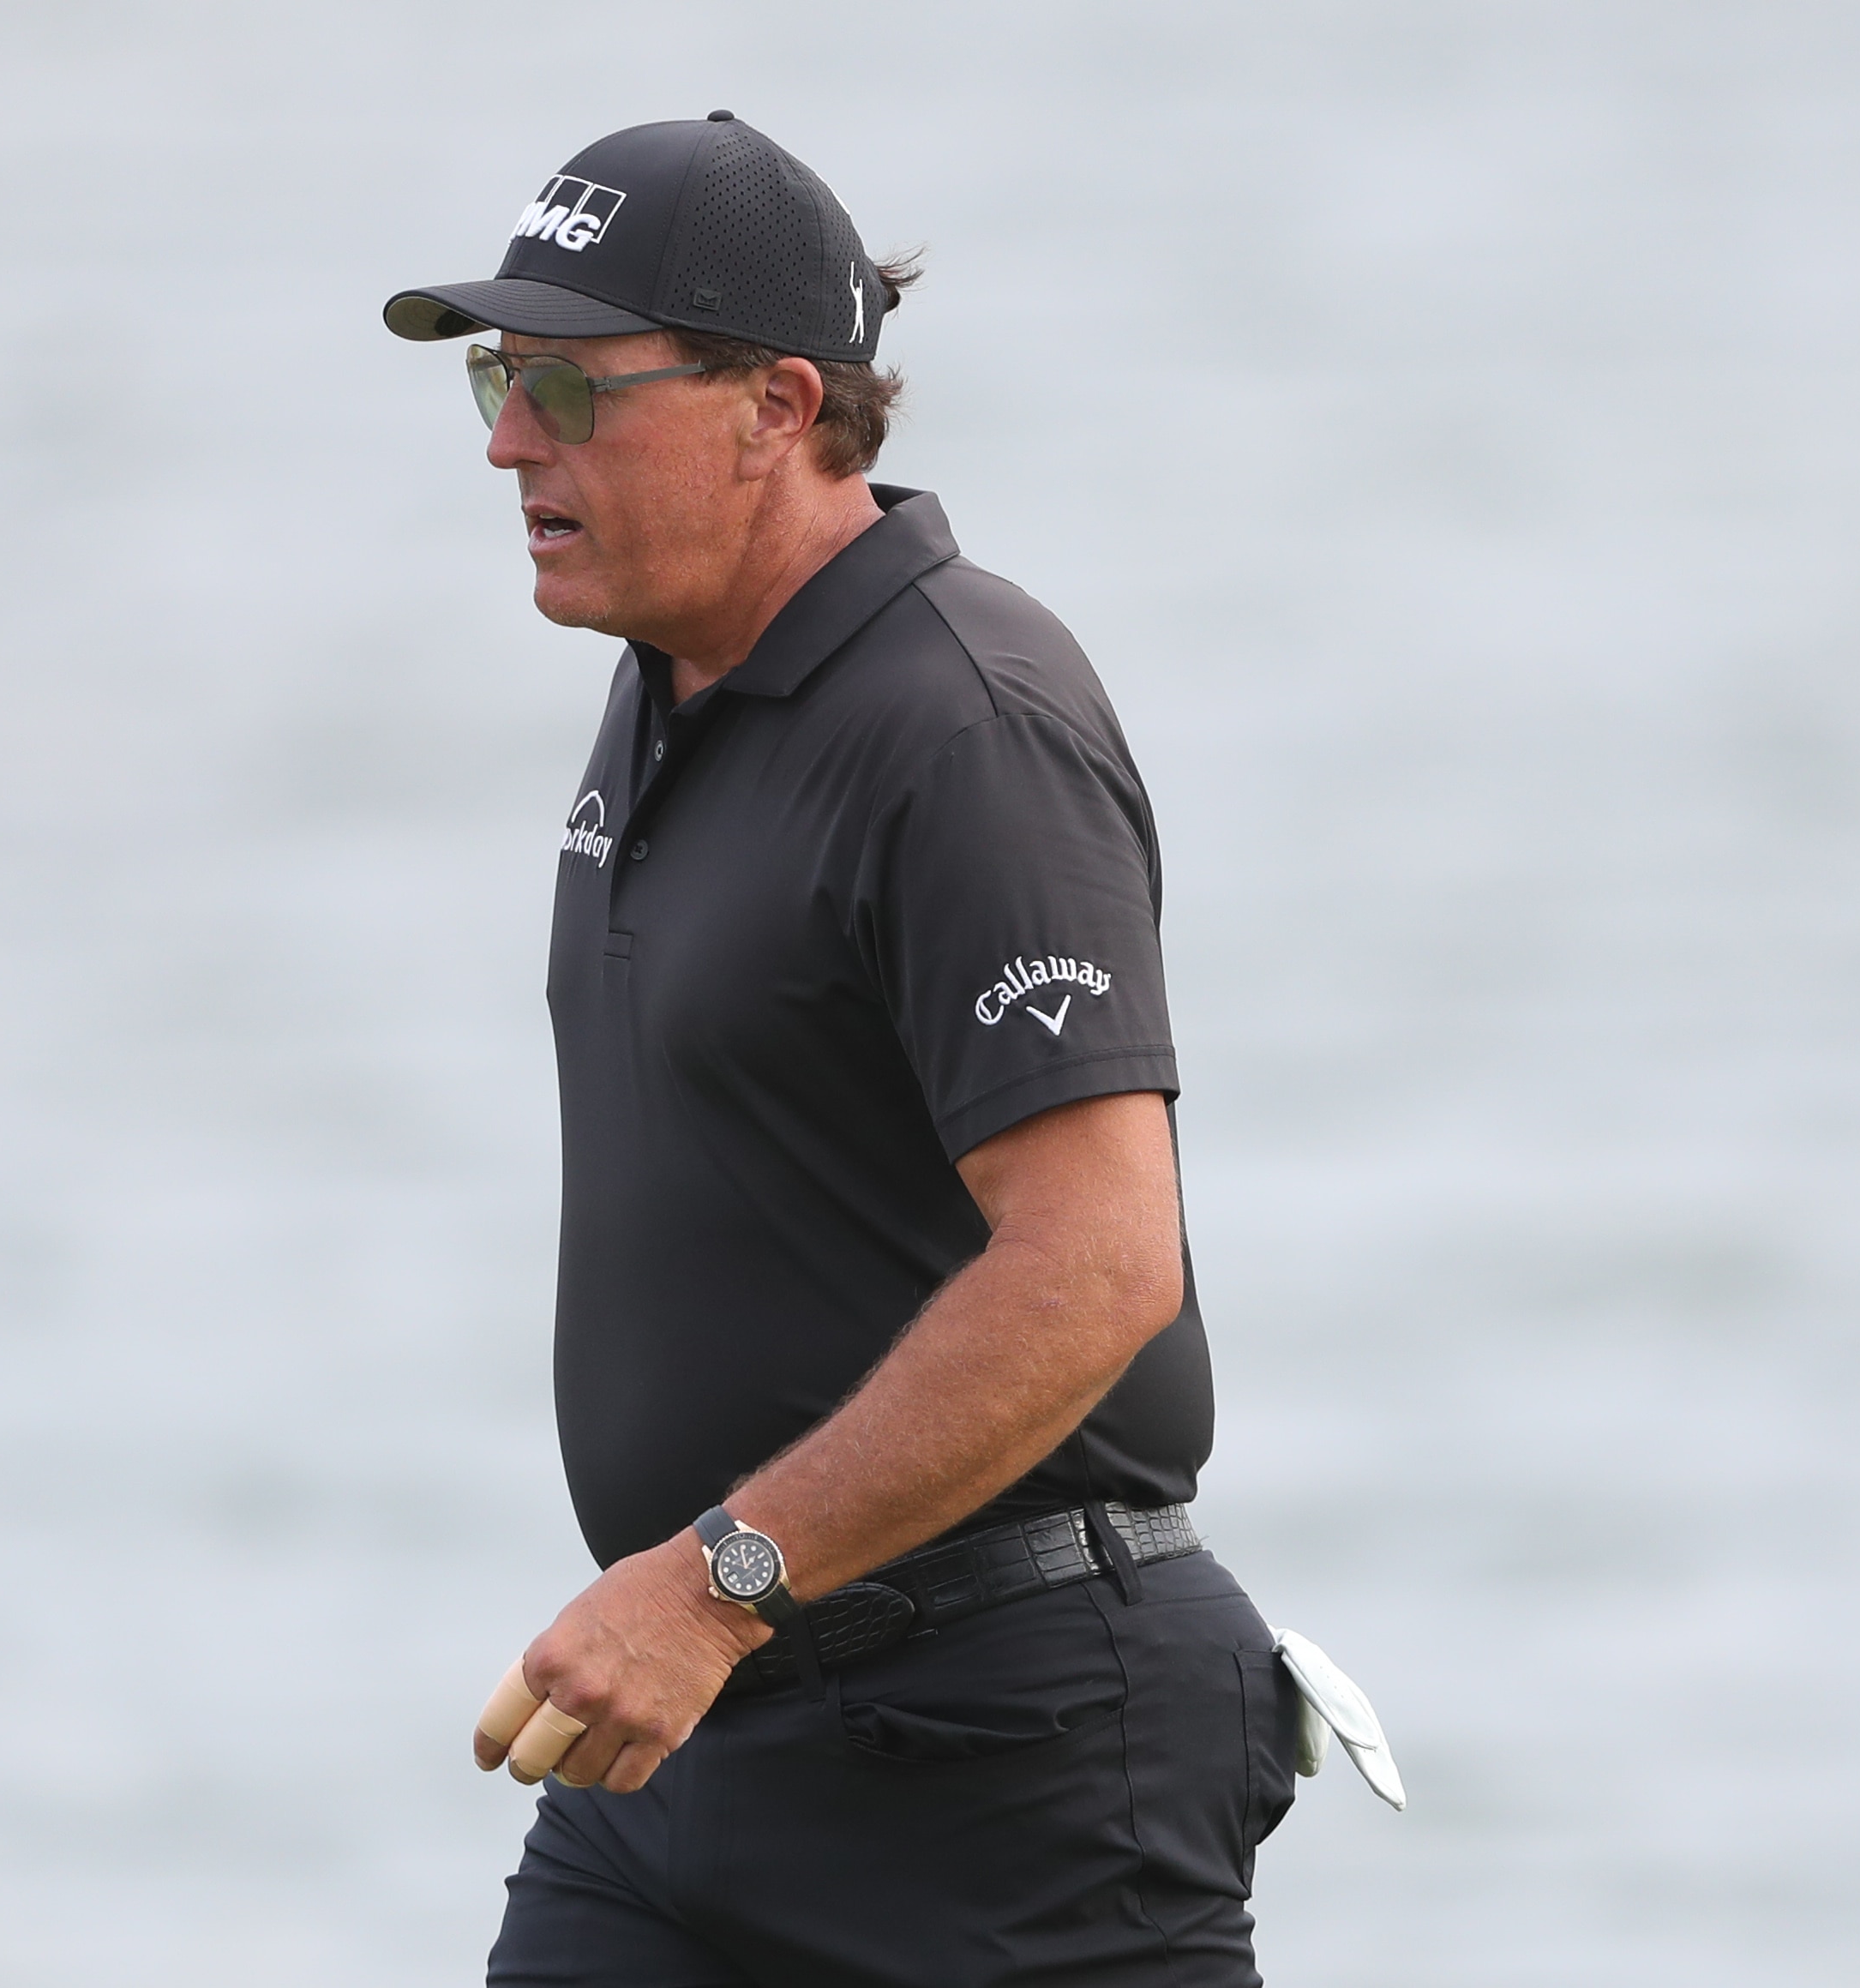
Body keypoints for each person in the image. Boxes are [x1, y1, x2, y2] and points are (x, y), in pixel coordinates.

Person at [385, 113, 1298, 1987]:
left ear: (780, 403)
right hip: (684, 1736)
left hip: (1006, 1760)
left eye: (566, 383)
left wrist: (718, 1578)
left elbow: (1101, 1259)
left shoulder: (962, 724)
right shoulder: (670, 683)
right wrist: (704, 1612)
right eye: (498, 374)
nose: (504, 439)